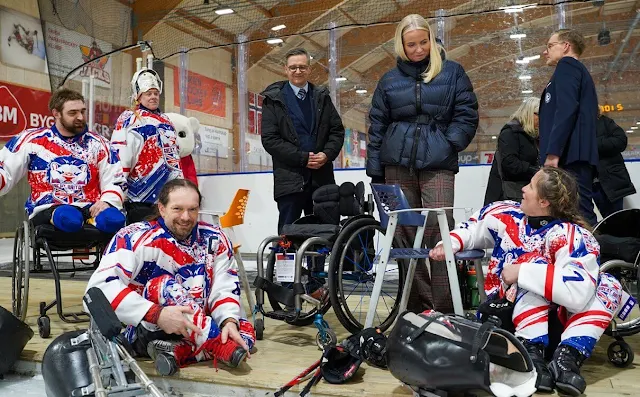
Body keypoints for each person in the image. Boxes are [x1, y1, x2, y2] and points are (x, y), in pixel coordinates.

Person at [430, 167, 621, 396]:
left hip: (559, 322)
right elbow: (473, 229)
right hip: (508, 317)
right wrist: (452, 242)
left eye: (530, 185)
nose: (522, 188)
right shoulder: (508, 214)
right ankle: (532, 357)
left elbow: (578, 295)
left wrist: (523, 271)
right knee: (535, 266)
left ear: (543, 202)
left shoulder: (572, 235)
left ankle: (566, 358)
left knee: (610, 285)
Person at [366, 14, 478, 313]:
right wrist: (375, 170)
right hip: (396, 165)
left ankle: (444, 309)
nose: (418, 50)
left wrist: (448, 143)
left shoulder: (453, 73)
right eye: (411, 44)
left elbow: (467, 114)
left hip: (438, 163)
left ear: (431, 39)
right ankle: (416, 307)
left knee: (439, 231)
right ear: (401, 46)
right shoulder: (389, 80)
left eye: (423, 42)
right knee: (404, 232)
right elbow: (377, 124)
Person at [85, 179, 255, 371]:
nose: (186, 217)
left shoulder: (215, 238)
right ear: (162, 208)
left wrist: (228, 321)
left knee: (242, 331)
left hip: (196, 326)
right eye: (177, 209)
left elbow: (225, 286)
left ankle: (179, 352)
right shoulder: (132, 236)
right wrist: (157, 315)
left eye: (192, 209)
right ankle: (217, 345)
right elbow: (97, 290)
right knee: (164, 285)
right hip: (148, 327)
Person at [261, 47, 345, 299]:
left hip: (321, 179)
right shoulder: (273, 99)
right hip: (290, 180)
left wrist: (327, 155)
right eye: (293, 67)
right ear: (285, 70)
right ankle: (286, 287)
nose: (298, 71)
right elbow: (270, 139)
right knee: (287, 234)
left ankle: (317, 284)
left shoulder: (321, 97)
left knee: (321, 231)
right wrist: (302, 158)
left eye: (302, 67)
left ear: (309, 69)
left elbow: (337, 132)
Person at [0, 88, 125, 234]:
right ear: (56, 114)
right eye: (73, 113)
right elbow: (6, 168)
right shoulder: (32, 140)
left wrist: (107, 201)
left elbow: (115, 179)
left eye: (82, 111)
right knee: (68, 218)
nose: (80, 117)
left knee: (114, 219)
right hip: (49, 207)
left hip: (89, 207)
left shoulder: (99, 144)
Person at [539, 29, 599, 226]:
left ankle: (591, 254)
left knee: (578, 213)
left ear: (566, 46)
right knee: (573, 213)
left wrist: (553, 153)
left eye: (550, 46)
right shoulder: (575, 71)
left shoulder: (568, 65)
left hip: (570, 156)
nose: (545, 52)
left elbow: (566, 109)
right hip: (573, 155)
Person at [111, 68, 183, 224]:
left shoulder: (166, 121)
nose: (153, 97)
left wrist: (180, 186)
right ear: (138, 96)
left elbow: (174, 158)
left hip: (166, 197)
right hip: (138, 197)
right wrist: (116, 194)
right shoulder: (129, 118)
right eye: (148, 93)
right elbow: (119, 158)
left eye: (156, 93)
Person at [484, 97, 540, 205]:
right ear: (529, 113)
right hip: (507, 195)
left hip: (524, 191)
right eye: (538, 114)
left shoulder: (533, 136)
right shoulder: (510, 133)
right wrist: (535, 171)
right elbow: (510, 163)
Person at [593, 112, 635, 217]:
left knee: (616, 219)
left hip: (611, 180)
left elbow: (621, 141)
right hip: (587, 184)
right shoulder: (575, 126)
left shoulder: (604, 122)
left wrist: (593, 144)